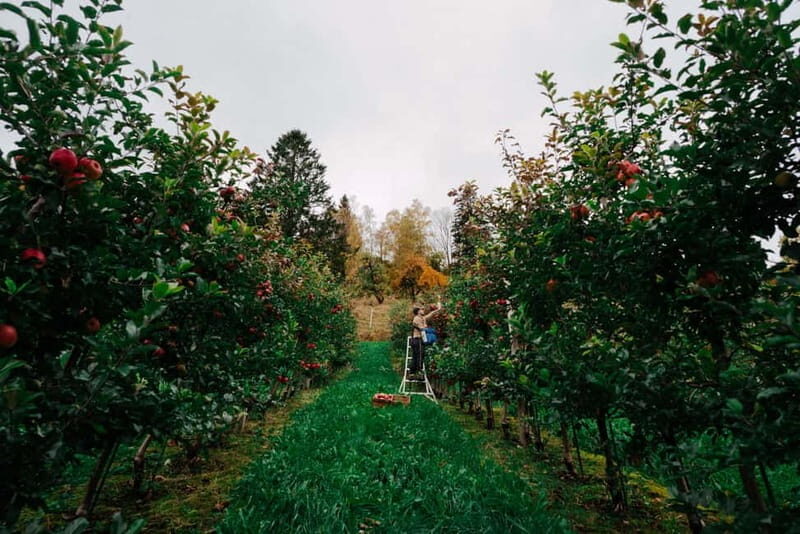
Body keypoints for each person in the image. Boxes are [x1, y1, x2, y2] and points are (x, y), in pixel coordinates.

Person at [409, 301, 442, 378]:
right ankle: (418, 373)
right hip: (417, 340)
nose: (423, 310)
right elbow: (422, 329)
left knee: (416, 356)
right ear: (418, 311)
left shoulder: (422, 318)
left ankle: (412, 373)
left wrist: (438, 309)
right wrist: (433, 331)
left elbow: (431, 314)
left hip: (419, 340)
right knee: (420, 356)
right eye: (422, 309)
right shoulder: (416, 319)